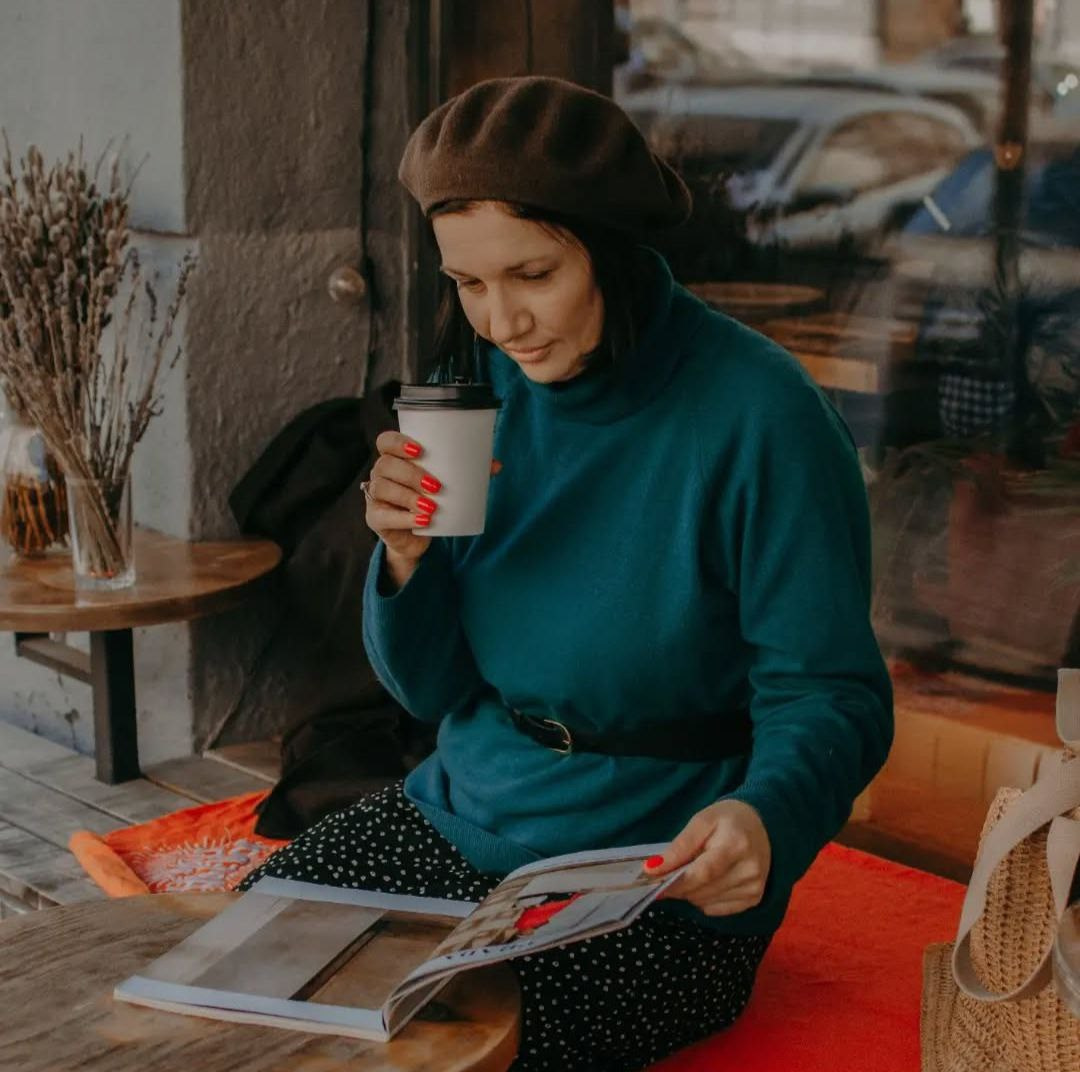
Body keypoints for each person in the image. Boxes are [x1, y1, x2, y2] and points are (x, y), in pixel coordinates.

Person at [239, 76, 893, 1070]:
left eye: (533, 273)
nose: (501, 320)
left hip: (646, 870)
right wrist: (406, 561)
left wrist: (767, 817)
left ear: (617, 252)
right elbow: (433, 690)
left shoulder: (761, 416)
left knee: (455, 1050)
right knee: (245, 965)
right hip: (465, 806)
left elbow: (831, 692)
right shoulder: (477, 397)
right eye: (469, 283)